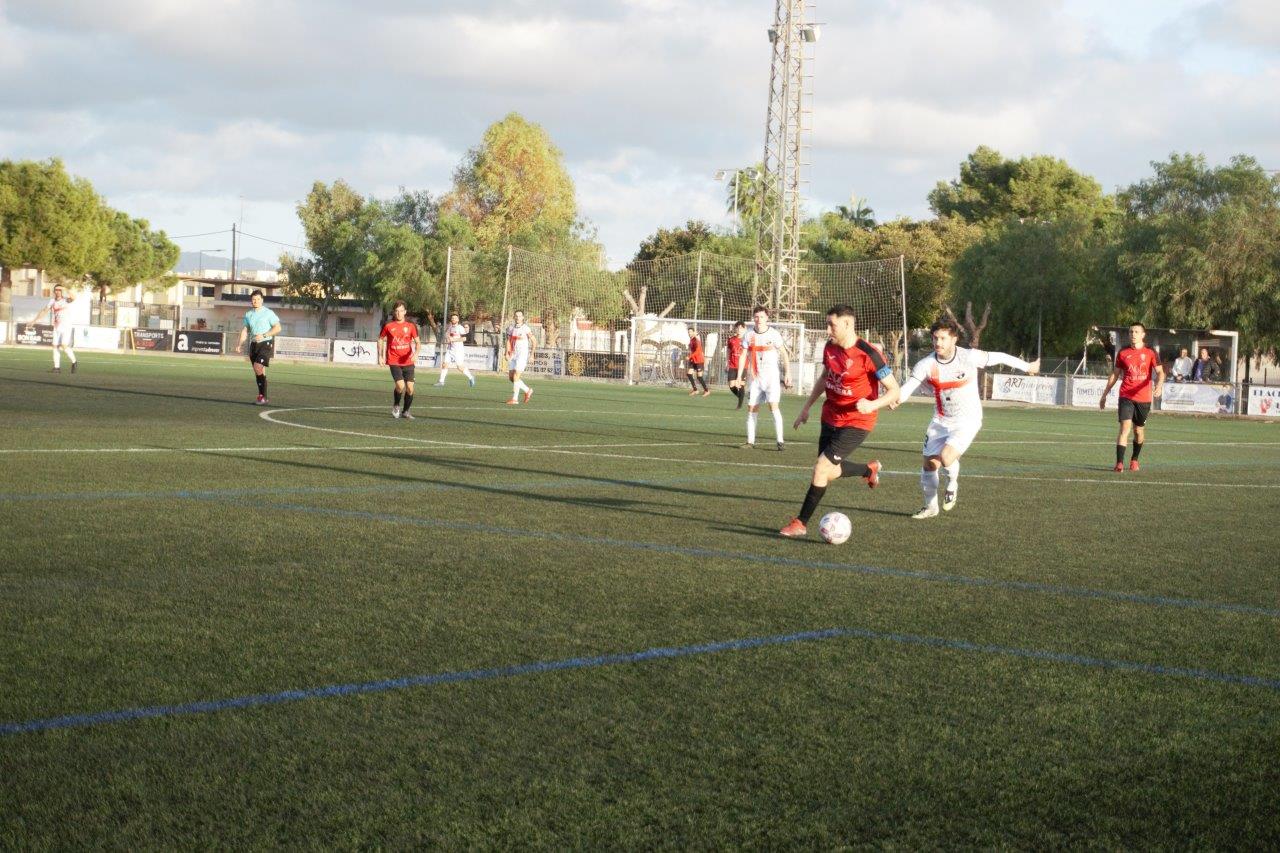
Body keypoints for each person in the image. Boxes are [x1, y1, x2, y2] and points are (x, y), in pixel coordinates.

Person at [890, 317, 1041, 519]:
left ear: (954, 339)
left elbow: (1000, 357)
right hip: (941, 419)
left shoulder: (969, 357)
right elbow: (908, 388)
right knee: (929, 465)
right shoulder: (926, 364)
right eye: (935, 338)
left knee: (946, 458)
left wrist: (1028, 367)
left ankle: (952, 483)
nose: (938, 343)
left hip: (968, 420)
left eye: (943, 338)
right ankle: (930, 507)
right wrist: (896, 399)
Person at [779, 305, 898, 538]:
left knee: (821, 468)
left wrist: (873, 404)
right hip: (830, 415)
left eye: (831, 325)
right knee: (828, 472)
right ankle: (868, 470)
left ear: (847, 324)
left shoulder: (869, 354)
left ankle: (800, 523)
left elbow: (894, 390)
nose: (827, 330)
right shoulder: (829, 347)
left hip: (858, 420)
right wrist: (806, 408)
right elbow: (826, 377)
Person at [1100, 322, 1164, 472]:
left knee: (1138, 431)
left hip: (1144, 398)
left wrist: (1159, 385)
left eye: (1136, 332)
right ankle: (1119, 463)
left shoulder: (1150, 352)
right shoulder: (1123, 352)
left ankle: (1134, 459)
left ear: (1143, 335)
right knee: (1125, 428)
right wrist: (1104, 394)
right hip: (1126, 396)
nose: (1133, 335)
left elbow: (1160, 372)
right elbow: (1115, 374)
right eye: (1131, 332)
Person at [741, 306, 792, 450]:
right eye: (756, 317)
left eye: (762, 317)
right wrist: (740, 375)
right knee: (752, 408)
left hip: (771, 378)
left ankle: (780, 441)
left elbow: (784, 354)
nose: (759, 319)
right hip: (755, 378)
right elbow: (744, 355)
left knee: (773, 407)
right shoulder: (748, 335)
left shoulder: (774, 334)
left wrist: (787, 373)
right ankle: (750, 442)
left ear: (767, 318)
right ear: (753, 318)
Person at [234, 289, 281, 404]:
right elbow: (245, 330)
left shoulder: (268, 313)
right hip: (254, 345)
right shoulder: (248, 314)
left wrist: (264, 335)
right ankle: (263, 397)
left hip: (266, 343)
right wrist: (239, 344)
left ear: (262, 300)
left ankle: (262, 396)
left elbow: (278, 328)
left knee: (258, 367)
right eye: (254, 299)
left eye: (258, 299)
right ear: (251, 301)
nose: (256, 301)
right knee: (258, 371)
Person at [378, 301, 420, 419]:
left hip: (408, 361)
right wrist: (380, 356)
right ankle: (396, 405)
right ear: (394, 312)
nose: (399, 313)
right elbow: (380, 339)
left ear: (405, 312)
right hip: (394, 360)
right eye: (396, 311)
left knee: (410, 388)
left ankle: (405, 411)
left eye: (401, 311)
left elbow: (418, 342)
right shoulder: (388, 325)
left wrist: (416, 354)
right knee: (400, 386)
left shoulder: (411, 326)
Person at [26, 284, 77, 373]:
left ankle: (74, 361)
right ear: (54, 291)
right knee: (55, 346)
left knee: (64, 346)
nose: (58, 291)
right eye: (56, 290)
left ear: (62, 291)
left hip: (66, 326)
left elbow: (73, 297)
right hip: (56, 326)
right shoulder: (52, 301)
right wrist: (34, 321)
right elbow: (44, 311)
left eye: (59, 290)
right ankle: (57, 368)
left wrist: (65, 288)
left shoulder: (65, 300)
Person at [436, 313, 476, 388]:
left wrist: (454, 340)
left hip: (458, 351)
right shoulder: (450, 327)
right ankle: (441, 382)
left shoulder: (460, 328)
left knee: (459, 367)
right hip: (450, 349)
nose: (453, 319)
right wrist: (448, 338)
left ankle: (471, 377)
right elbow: (447, 335)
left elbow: (464, 338)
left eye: (455, 318)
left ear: (458, 320)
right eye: (452, 318)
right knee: (444, 364)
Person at [506, 309, 535, 405]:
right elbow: (508, 341)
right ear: (514, 317)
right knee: (511, 377)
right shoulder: (510, 328)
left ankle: (515, 399)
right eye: (516, 316)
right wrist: (507, 352)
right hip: (513, 354)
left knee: (516, 376)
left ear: (523, 317)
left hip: (522, 355)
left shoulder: (526, 328)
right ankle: (527, 390)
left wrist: (532, 354)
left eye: (520, 316)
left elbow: (534, 341)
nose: (518, 318)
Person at [725, 320, 747, 408]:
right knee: (731, 385)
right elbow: (728, 351)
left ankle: (739, 405)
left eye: (741, 328)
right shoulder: (731, 339)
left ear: (744, 329)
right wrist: (727, 362)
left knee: (740, 384)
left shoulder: (747, 340)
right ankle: (741, 397)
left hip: (743, 366)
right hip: (732, 365)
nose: (739, 330)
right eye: (737, 328)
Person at [686, 327, 710, 397]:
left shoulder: (696, 340)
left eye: (690, 332)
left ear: (694, 332)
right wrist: (691, 357)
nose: (689, 333)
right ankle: (695, 390)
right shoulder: (691, 340)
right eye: (688, 332)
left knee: (699, 377)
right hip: (693, 360)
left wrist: (689, 356)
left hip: (699, 360)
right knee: (689, 374)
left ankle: (707, 390)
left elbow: (698, 351)